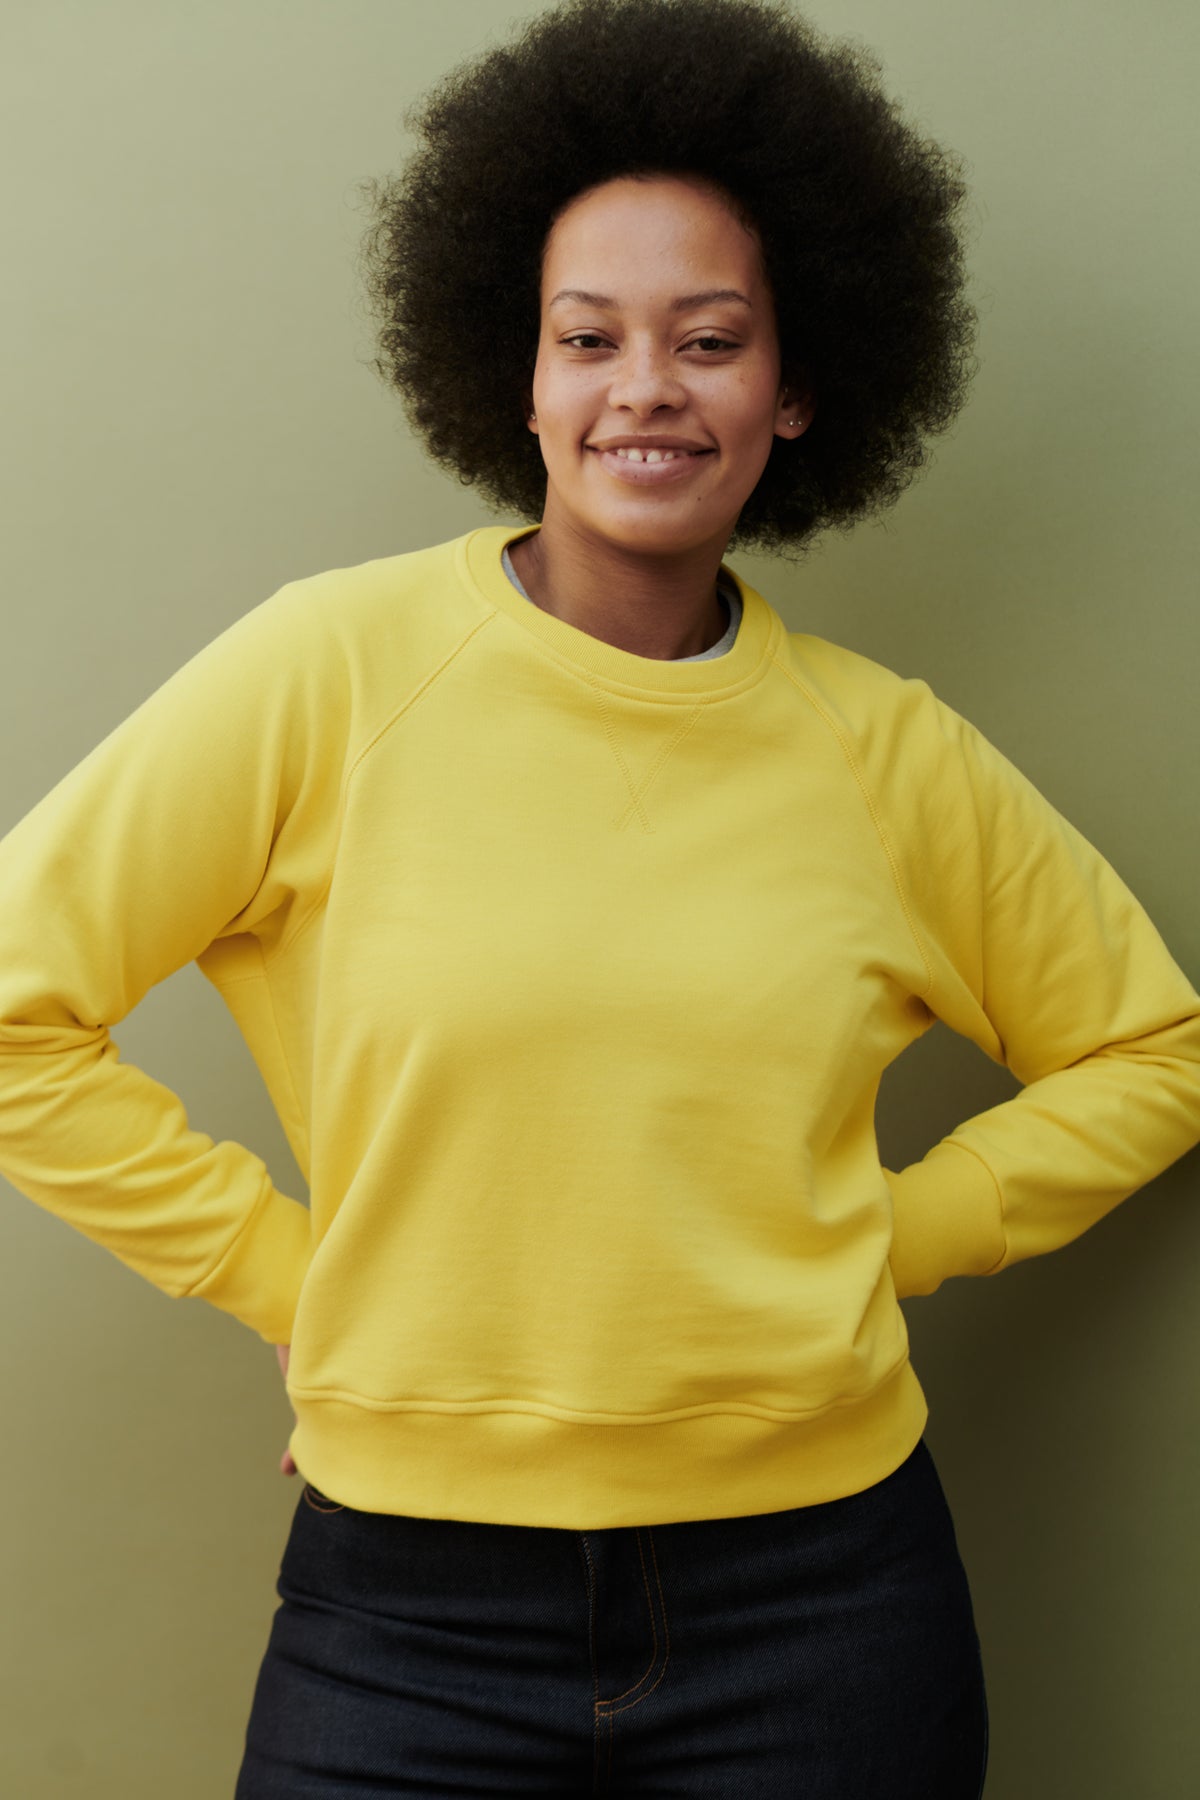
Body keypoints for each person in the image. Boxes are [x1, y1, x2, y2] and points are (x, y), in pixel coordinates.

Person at [0, 0, 1197, 1793]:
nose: (647, 384)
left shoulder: (886, 755)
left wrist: (892, 1235)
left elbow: (1151, 1050)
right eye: (590, 337)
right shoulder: (329, 674)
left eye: (709, 339)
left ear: (794, 391)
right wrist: (299, 1282)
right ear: (524, 376)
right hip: (402, 1620)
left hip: (822, 1608)